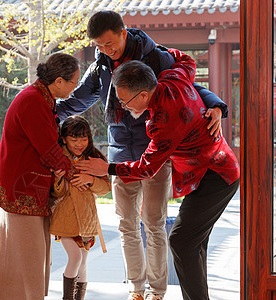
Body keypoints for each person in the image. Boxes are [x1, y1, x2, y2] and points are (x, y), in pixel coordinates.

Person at [56, 10, 228, 300]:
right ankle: (136, 289)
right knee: (126, 225)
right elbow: (78, 100)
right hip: (121, 151)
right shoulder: (101, 67)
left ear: (124, 33)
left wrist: (216, 105)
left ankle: (157, 291)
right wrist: (45, 111)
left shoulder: (156, 58)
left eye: (110, 44)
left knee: (155, 224)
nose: (106, 51)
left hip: (155, 153)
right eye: (99, 46)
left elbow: (188, 84)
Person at [0, 53, 81, 300]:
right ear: (59, 81)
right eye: (74, 82)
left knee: (13, 252)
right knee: (28, 253)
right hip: (21, 185)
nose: (75, 87)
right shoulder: (34, 101)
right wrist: (75, 173)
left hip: (20, 182)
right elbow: (47, 148)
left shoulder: (39, 97)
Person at [49, 115, 111, 300]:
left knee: (83, 261)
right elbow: (55, 193)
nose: (79, 143)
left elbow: (106, 188)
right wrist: (59, 179)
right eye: (74, 139)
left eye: (84, 139)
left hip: (87, 219)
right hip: (66, 218)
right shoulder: (58, 158)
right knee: (75, 257)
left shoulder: (94, 158)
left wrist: (90, 179)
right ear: (64, 138)